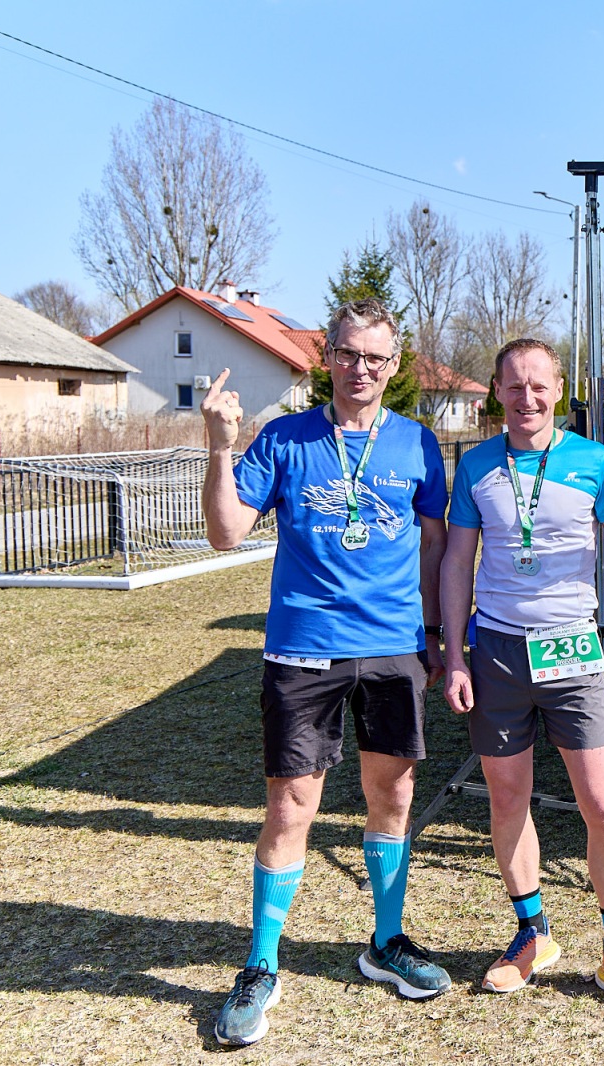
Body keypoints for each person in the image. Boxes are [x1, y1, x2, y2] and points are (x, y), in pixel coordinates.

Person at [201, 297, 452, 1047]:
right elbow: (223, 534)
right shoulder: (283, 438)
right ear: (327, 358)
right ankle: (261, 964)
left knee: (393, 794)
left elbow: (436, 546)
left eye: (376, 357)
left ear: (394, 364)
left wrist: (437, 634)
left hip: (393, 647)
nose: (361, 369)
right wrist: (220, 444)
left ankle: (386, 941)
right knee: (290, 807)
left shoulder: (419, 444)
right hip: (303, 648)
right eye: (348, 353)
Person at [440, 337, 604, 1016]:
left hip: (571, 651)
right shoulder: (478, 463)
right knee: (507, 800)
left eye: (538, 385)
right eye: (512, 386)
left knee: (603, 806)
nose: (526, 398)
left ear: (558, 389)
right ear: (495, 391)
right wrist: (455, 654)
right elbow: (458, 563)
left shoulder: (593, 459)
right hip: (499, 652)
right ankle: (531, 935)